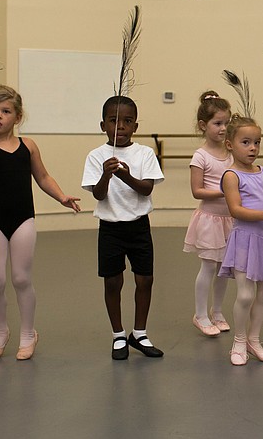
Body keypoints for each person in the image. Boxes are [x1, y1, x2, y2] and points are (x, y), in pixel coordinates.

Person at [0, 85, 81, 360]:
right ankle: (0, 331)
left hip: (23, 221)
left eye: (6, 111)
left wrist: (61, 197)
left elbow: (42, 177)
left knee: (21, 278)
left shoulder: (27, 146)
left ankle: (28, 333)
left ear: (17, 117)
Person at [82, 95, 165, 360]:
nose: (120, 127)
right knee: (113, 281)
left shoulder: (144, 153)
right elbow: (98, 195)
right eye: (114, 121)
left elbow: (146, 189)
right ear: (102, 125)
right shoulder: (96, 157)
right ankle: (118, 335)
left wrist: (125, 175)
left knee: (145, 279)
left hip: (139, 226)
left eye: (127, 121)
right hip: (110, 229)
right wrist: (107, 174)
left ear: (136, 126)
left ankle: (139, 333)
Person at [219, 115, 263, 365]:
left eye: (257, 143)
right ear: (230, 144)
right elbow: (235, 210)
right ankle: (239, 340)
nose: (253, 148)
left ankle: (254, 338)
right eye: (246, 142)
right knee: (245, 294)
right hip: (244, 241)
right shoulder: (231, 175)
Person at [183, 91, 234, 336]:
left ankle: (218, 311)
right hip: (210, 220)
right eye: (218, 123)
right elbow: (197, 190)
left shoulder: (232, 153)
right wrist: (224, 192)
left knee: (225, 268)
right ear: (204, 125)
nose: (223, 128)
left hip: (230, 220)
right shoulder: (200, 156)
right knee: (208, 267)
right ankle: (200, 314)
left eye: (226, 123)